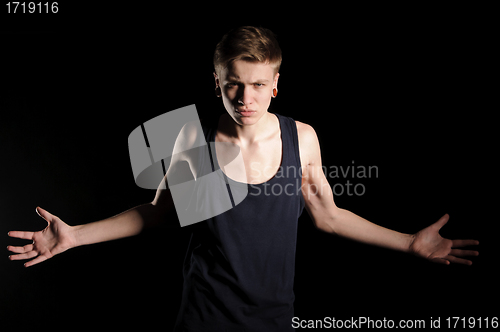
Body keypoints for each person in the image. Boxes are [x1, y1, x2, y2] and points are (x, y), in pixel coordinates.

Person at [7, 26, 479, 332]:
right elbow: (159, 214)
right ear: (217, 81)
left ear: (276, 84)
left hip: (275, 319)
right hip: (203, 319)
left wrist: (409, 242)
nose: (245, 98)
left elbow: (329, 217)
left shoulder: (303, 138)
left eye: (258, 85)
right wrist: (75, 236)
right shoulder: (191, 136)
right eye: (234, 83)